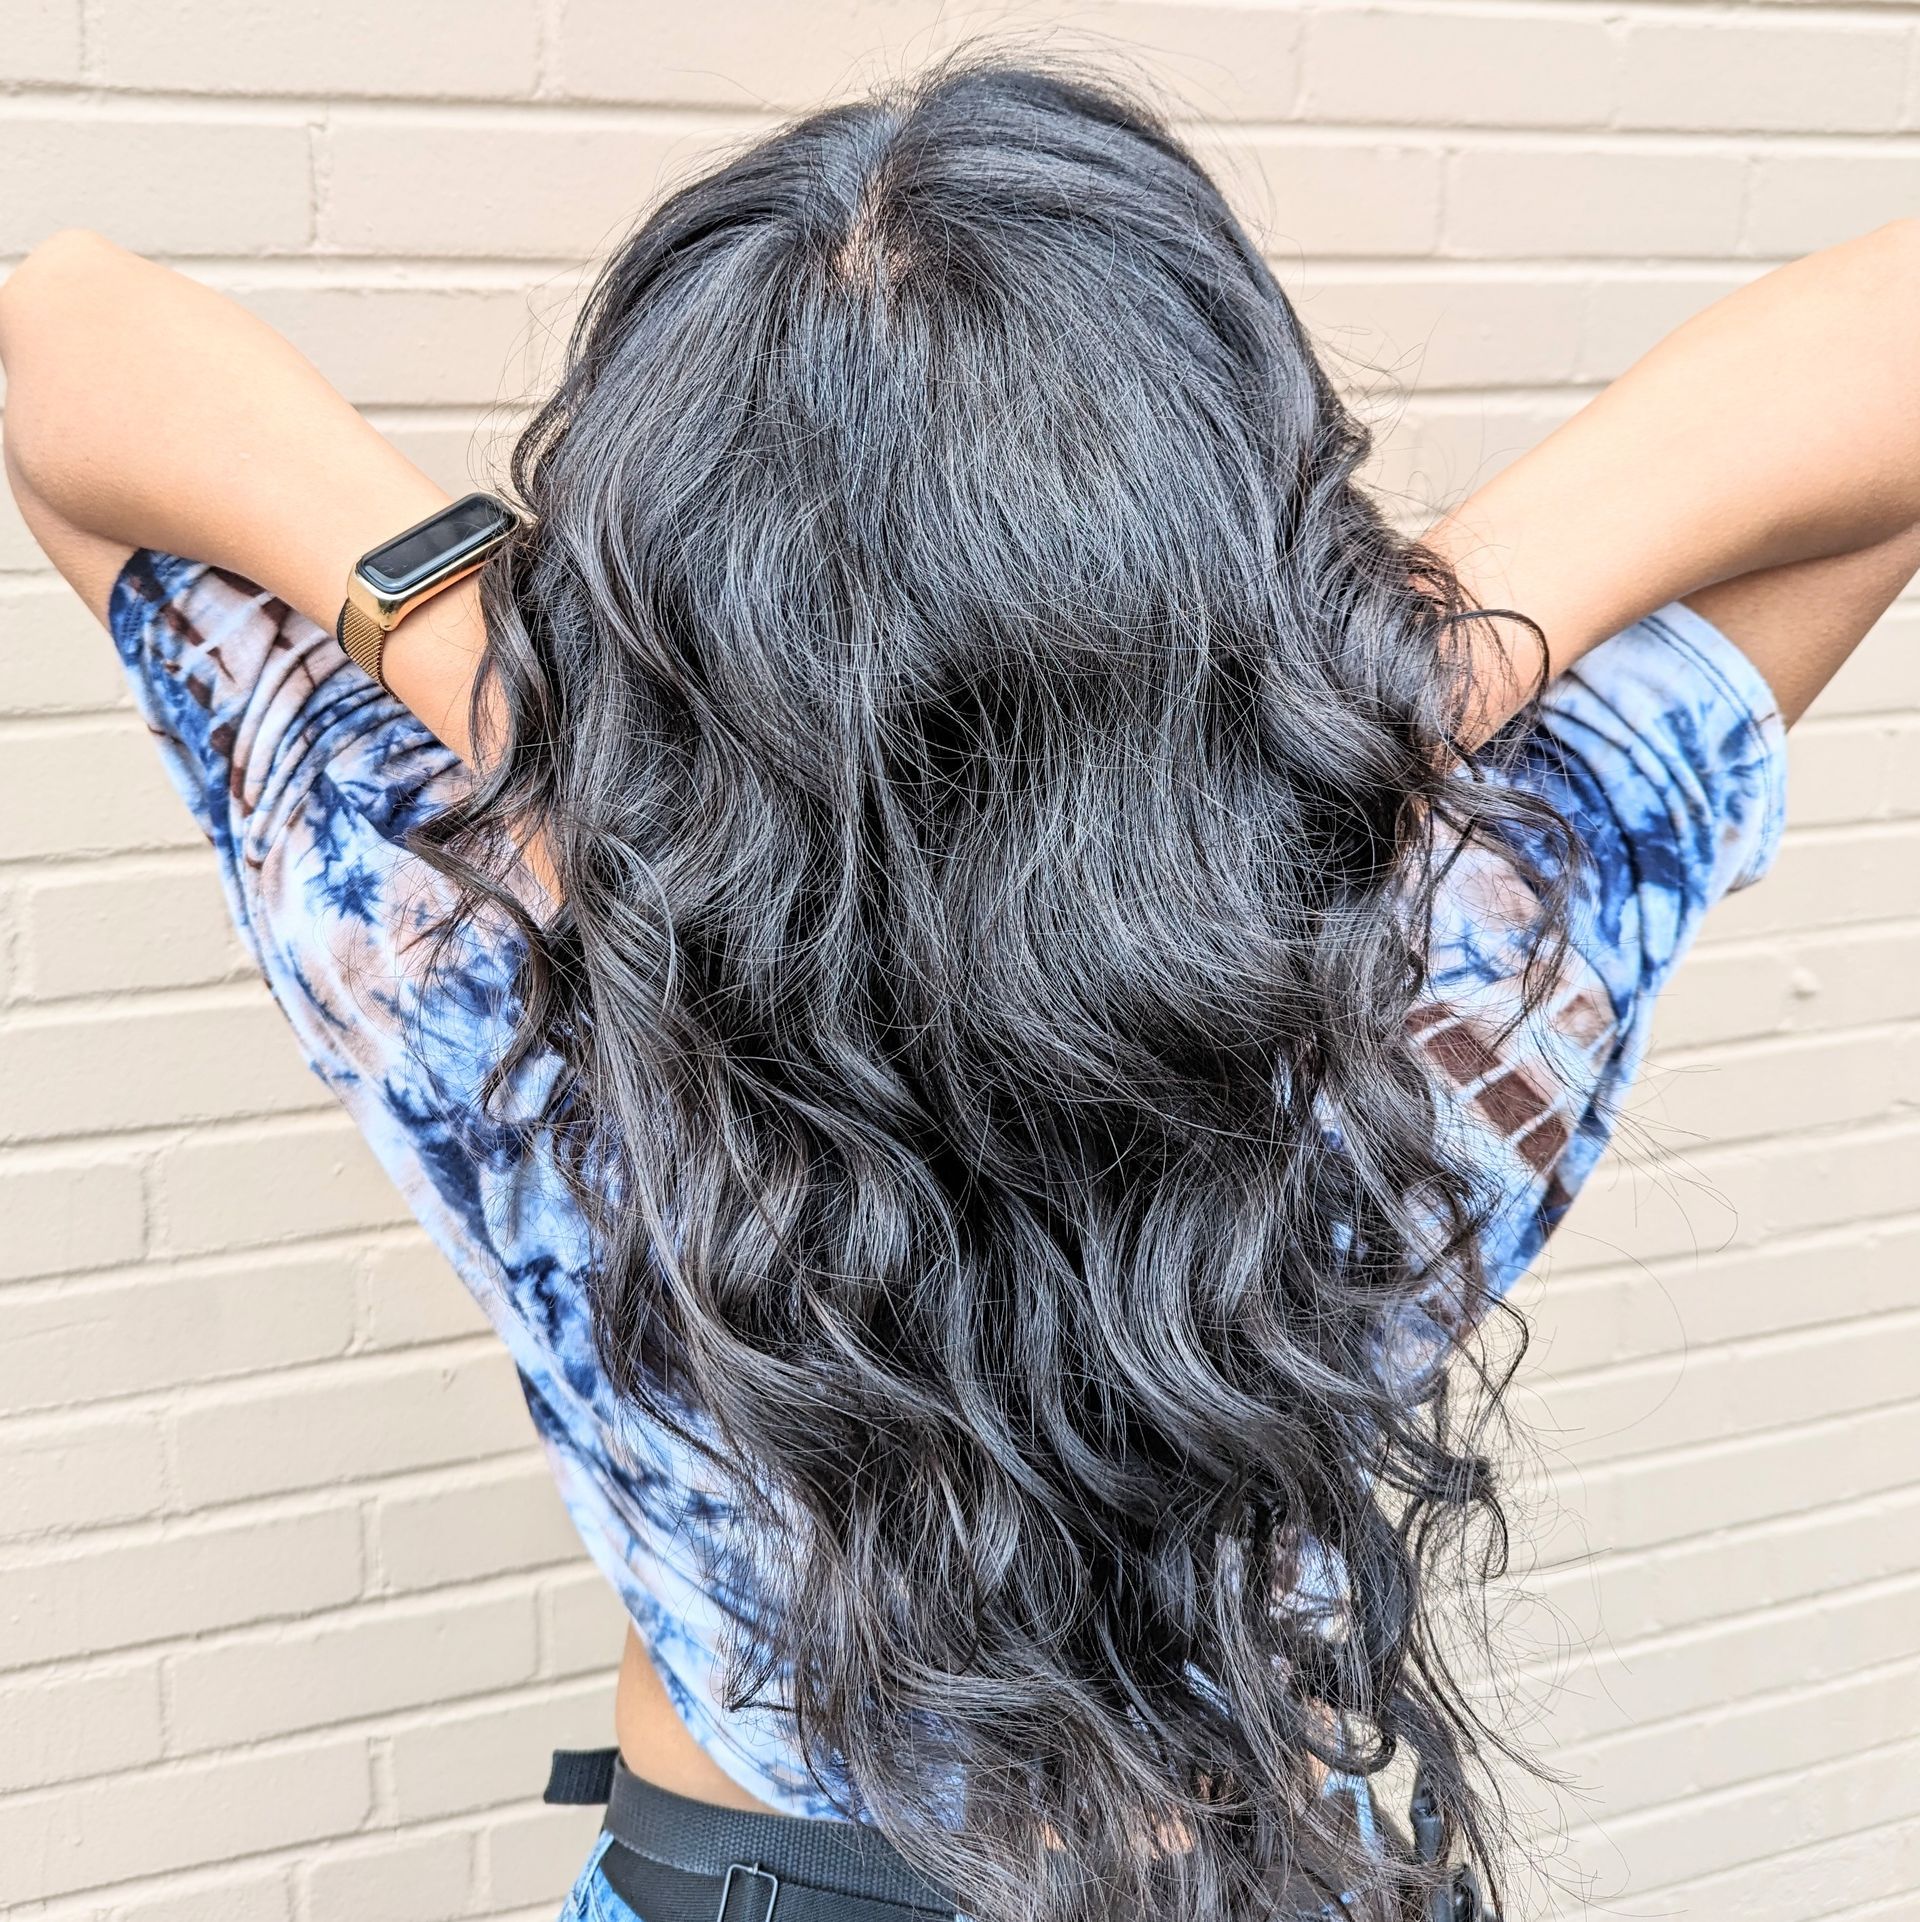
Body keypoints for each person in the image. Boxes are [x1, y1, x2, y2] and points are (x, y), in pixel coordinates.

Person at [3, 51, 1916, 1922]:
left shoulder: (477, 946)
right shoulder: (1440, 959)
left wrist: (535, 705)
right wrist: (1374, 676)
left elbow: (63, 338)